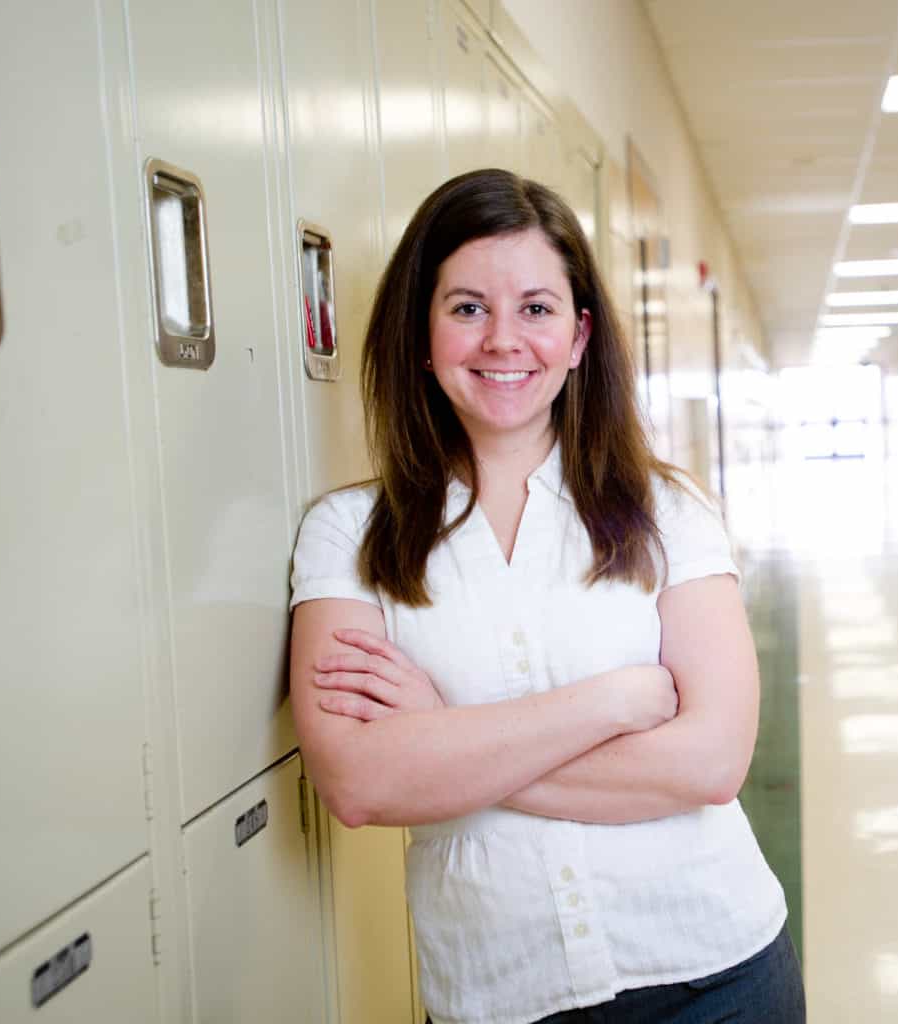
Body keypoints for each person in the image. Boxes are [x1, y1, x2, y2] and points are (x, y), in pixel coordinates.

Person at [287, 168, 803, 1024]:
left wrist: (444, 742)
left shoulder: (668, 512)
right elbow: (358, 782)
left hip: (719, 974)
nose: (502, 341)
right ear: (420, 333)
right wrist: (616, 701)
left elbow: (712, 764)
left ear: (577, 336)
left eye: (535, 308)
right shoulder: (349, 535)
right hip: (500, 994)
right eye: (465, 308)